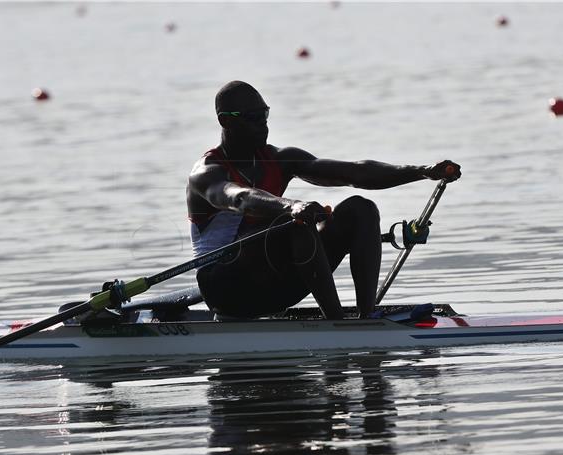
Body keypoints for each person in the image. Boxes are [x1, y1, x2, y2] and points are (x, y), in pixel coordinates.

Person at [186, 81, 461, 320]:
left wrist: (421, 171)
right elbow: (241, 198)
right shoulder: (206, 173)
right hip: (226, 289)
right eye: (252, 117)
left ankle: (367, 316)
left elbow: (354, 172)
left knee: (359, 209)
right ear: (226, 121)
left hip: (276, 283)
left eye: (265, 114)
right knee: (293, 221)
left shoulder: (280, 159)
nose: (263, 123)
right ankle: (337, 323)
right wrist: (291, 206)